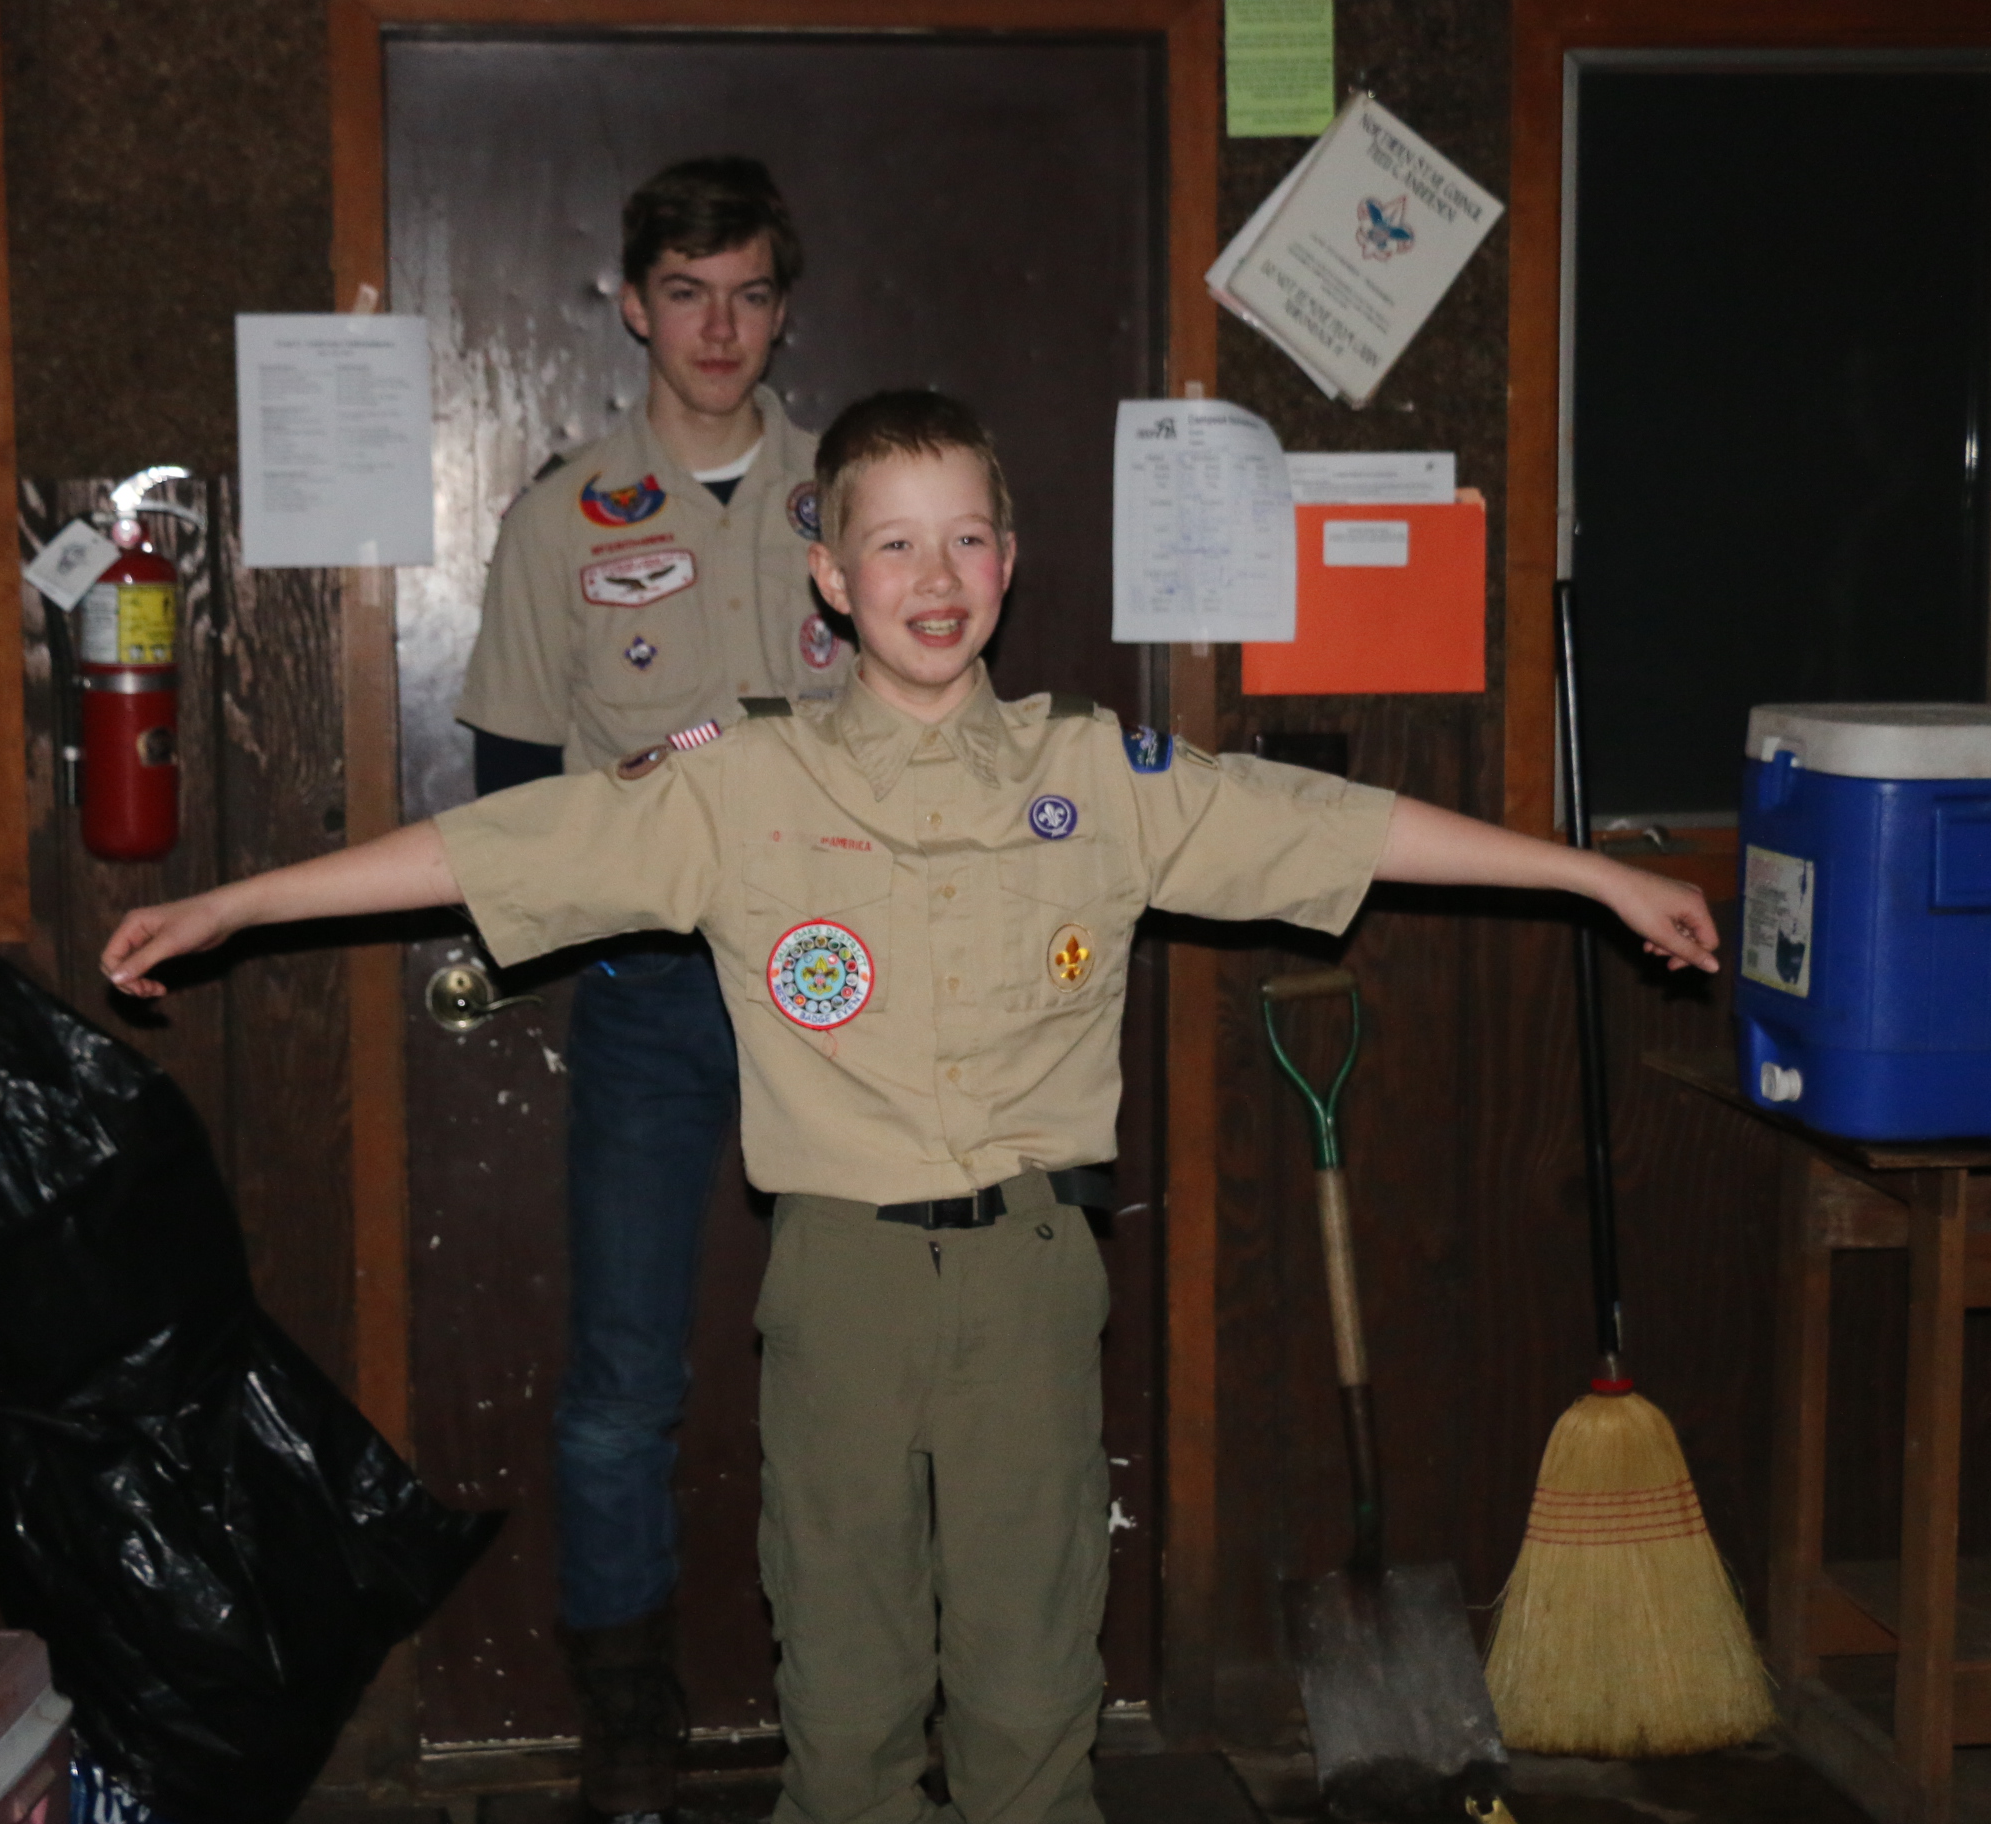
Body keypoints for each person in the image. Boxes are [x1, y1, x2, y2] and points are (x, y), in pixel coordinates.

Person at [103, 391, 1717, 1824]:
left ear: (1010, 563)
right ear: (831, 577)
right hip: (844, 1284)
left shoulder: (1104, 775)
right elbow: (492, 852)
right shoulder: (740, 785)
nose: (933, 579)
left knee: (1033, 1686)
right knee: (847, 1688)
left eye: (965, 541)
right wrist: (237, 905)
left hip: (1031, 1279)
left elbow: (1332, 827)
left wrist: (1588, 876)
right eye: (892, 545)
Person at [451, 156, 840, 1816]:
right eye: (687, 295)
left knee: (861, 1356)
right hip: (658, 1002)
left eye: (748, 295)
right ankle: (629, 1719)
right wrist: (601, 928)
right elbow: (510, 785)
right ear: (632, 306)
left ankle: (863, 1689)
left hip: (842, 988)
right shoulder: (565, 516)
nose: (719, 330)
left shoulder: (860, 492)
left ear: (783, 308)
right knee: (622, 1386)